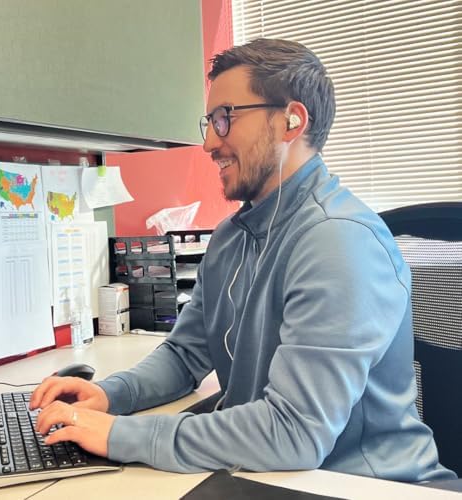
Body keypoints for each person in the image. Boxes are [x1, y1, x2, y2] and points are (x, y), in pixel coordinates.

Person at [31, 38, 456, 482]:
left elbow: (293, 432)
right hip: (274, 474)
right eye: (209, 122)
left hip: (364, 485)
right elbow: (184, 354)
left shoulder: (340, 241)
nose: (209, 143)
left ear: (292, 120)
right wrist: (109, 395)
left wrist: (120, 434)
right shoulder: (232, 237)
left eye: (225, 118)